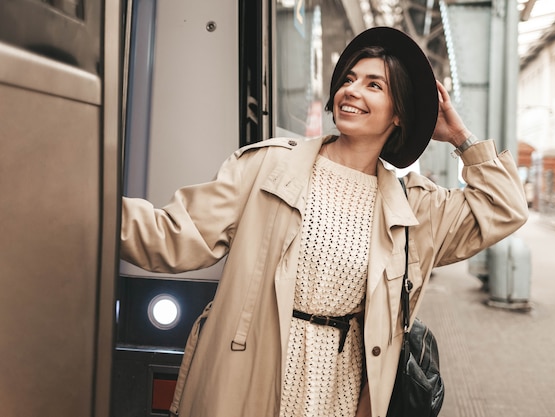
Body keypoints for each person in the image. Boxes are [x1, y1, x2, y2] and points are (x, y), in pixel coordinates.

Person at [120, 27, 529, 417]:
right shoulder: (268, 167)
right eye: (349, 78)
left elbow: (505, 208)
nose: (351, 90)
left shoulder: (414, 208)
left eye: (374, 85)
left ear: (399, 113)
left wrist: (460, 138)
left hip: (341, 391)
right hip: (255, 375)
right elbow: (172, 237)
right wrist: (88, 204)